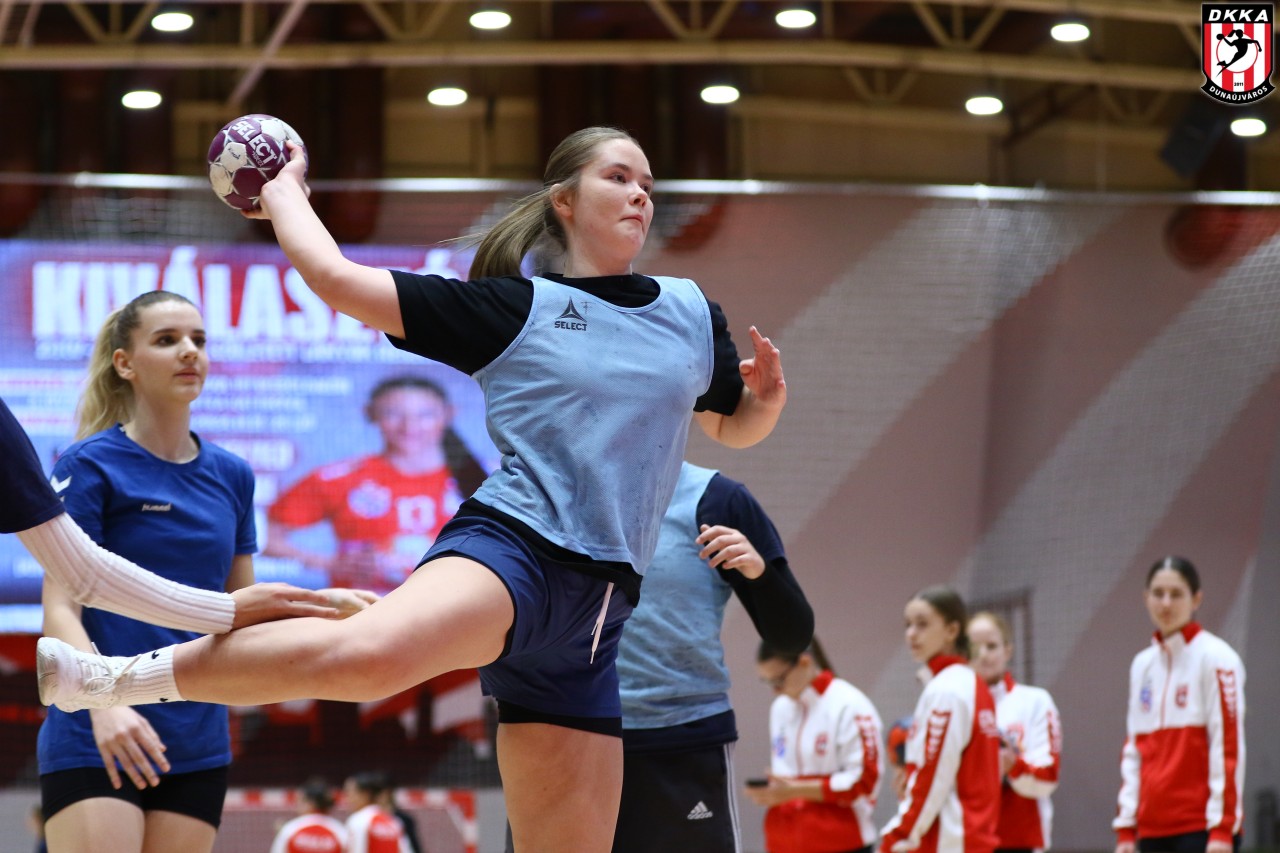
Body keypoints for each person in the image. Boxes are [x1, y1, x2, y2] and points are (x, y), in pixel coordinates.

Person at [37, 125, 787, 853]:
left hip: (600, 610)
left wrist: (765, 405)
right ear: (564, 199)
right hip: (520, 549)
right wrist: (284, 190)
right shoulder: (514, 309)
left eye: (647, 183)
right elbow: (336, 279)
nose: (640, 195)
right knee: (369, 660)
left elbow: (729, 423)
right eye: (618, 178)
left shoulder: (688, 311)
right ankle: (112, 679)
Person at [0, 395, 357, 633]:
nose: (188, 351)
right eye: (167, 339)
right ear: (125, 363)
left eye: (199, 340)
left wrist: (316, 605)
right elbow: (77, 583)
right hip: (106, 707)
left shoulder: (232, 471)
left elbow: (249, 623)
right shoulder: (87, 463)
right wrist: (104, 707)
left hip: (201, 710)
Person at [612, 460, 814, 852]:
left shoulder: (718, 500)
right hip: (581, 735)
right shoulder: (570, 491)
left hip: (685, 739)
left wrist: (760, 574)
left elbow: (793, 635)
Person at [266, 375, 487, 595]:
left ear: (448, 414)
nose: (409, 426)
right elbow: (267, 538)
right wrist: (326, 563)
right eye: (392, 414)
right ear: (370, 414)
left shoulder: (486, 478)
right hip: (363, 609)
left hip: (457, 609)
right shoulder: (340, 478)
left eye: (425, 415)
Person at [1113, 557, 1245, 853]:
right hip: (1151, 831)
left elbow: (1228, 747)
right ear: (1145, 598)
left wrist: (1222, 829)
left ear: (1196, 599)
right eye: (1158, 593)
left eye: (1176, 594)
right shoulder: (1141, 665)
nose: (1166, 603)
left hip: (1201, 829)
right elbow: (1134, 751)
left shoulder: (1217, 658)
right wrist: (1126, 828)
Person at [880, 586, 1000, 853]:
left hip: (949, 843)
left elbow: (932, 777)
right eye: (908, 625)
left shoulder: (947, 690)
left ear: (952, 630)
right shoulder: (970, 683)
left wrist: (897, 837)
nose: (911, 633)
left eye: (922, 624)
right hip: (968, 840)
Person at [747, 638, 884, 853]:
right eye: (768, 682)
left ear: (804, 661)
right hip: (783, 843)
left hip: (841, 843)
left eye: (779, 680)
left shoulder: (850, 704)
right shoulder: (780, 708)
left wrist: (795, 791)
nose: (775, 690)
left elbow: (865, 783)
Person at [968, 611, 1061, 853]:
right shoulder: (956, 706)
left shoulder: (1035, 701)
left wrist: (1012, 766)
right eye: (974, 647)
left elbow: (1048, 777)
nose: (983, 654)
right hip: (966, 838)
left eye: (991, 646)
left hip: (1021, 838)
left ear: (1008, 651)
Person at [270, 777, 348, 853]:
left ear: (310, 803)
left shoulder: (291, 829)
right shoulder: (339, 831)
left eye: (299, 801)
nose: (296, 806)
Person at [344, 771, 409, 853]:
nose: (347, 799)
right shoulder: (394, 822)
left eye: (349, 793)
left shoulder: (358, 820)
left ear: (365, 794)